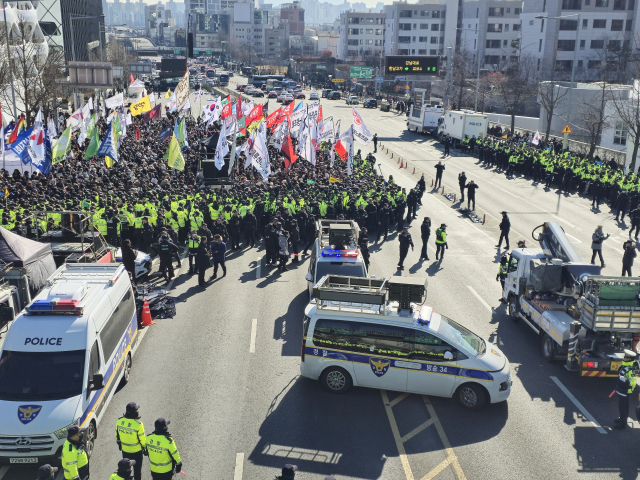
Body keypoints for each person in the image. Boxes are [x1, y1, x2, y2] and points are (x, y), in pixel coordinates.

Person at [115, 402, 146, 480]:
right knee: (137, 471)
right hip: (137, 452)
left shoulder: (119, 421)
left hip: (125, 451)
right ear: (135, 412)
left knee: (126, 470)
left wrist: (119, 444)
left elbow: (117, 435)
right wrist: (145, 449)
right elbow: (143, 440)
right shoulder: (138, 424)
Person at [613, 350, 638, 429]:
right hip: (623, 388)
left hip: (626, 389)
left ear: (630, 359)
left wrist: (624, 380)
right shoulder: (626, 364)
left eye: (626, 357)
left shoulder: (631, 367)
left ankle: (622, 424)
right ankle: (622, 419)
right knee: (625, 405)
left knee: (622, 407)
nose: (624, 358)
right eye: (624, 356)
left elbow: (631, 379)